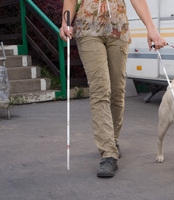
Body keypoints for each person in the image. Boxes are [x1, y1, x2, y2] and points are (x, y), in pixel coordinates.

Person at [60, 0, 167, 177]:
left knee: (117, 92)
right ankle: (108, 153)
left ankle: (112, 138)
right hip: (88, 29)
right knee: (100, 91)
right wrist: (65, 23)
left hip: (118, 30)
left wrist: (151, 28)